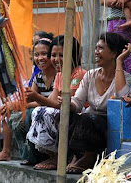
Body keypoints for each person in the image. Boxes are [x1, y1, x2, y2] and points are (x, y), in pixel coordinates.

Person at [54, 32, 131, 174]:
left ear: (114, 53)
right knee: (64, 115)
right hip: (88, 121)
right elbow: (77, 102)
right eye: (96, 48)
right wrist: (67, 103)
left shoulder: (124, 77)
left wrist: (120, 62)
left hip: (107, 126)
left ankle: (90, 157)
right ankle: (77, 155)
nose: (96, 52)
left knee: (88, 118)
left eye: (101, 48)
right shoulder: (91, 75)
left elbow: (123, 99)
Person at [26, 35, 86, 170]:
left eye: (61, 55)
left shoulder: (78, 74)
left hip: (78, 116)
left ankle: (60, 157)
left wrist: (36, 97)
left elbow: (64, 105)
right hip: (64, 113)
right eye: (53, 55)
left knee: (45, 112)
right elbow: (53, 101)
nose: (56, 59)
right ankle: (52, 155)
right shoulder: (60, 75)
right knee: (39, 111)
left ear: (72, 55)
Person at [2, 34, 57, 166]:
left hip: (52, 110)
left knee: (28, 116)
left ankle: (45, 154)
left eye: (44, 54)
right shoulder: (38, 77)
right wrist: (15, 105)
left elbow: (41, 100)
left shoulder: (58, 76)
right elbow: (29, 97)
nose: (40, 58)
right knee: (15, 117)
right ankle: (30, 155)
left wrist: (19, 105)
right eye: (36, 55)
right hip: (39, 108)